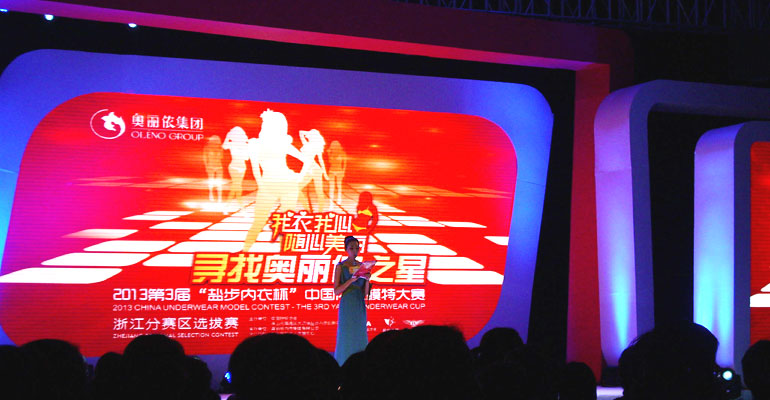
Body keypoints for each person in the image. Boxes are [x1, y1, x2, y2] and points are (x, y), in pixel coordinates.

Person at [334, 236, 373, 365]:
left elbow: (365, 293)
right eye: (351, 248)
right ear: (346, 249)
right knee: (346, 333)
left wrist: (367, 279)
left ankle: (361, 363)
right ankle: (343, 362)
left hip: (358, 302)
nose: (355, 251)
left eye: (357, 248)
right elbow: (336, 291)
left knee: (359, 332)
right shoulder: (340, 266)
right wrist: (351, 280)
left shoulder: (363, 266)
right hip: (347, 302)